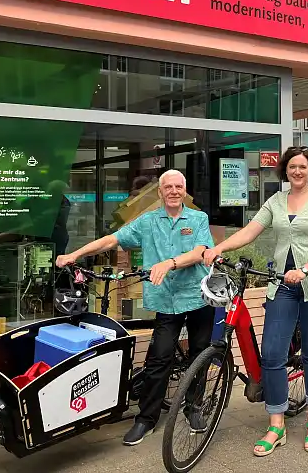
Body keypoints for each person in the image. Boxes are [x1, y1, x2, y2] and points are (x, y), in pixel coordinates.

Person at [56, 169, 214, 446]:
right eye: (169, 187)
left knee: (199, 355)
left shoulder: (198, 218)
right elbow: (112, 240)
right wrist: (75, 254)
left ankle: (193, 408)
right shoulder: (148, 221)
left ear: (184, 191)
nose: (174, 191)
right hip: (167, 300)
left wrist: (169, 263)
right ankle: (146, 418)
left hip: (197, 296)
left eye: (179, 187)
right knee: (158, 359)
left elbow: (200, 252)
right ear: (161, 192)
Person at [203, 146, 308, 456]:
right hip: (282, 286)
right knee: (272, 354)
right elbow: (250, 231)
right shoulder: (276, 201)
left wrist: (305, 269)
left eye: (303, 167)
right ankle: (276, 424)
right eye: (292, 166)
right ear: (285, 170)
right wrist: (219, 248)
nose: (297, 171)